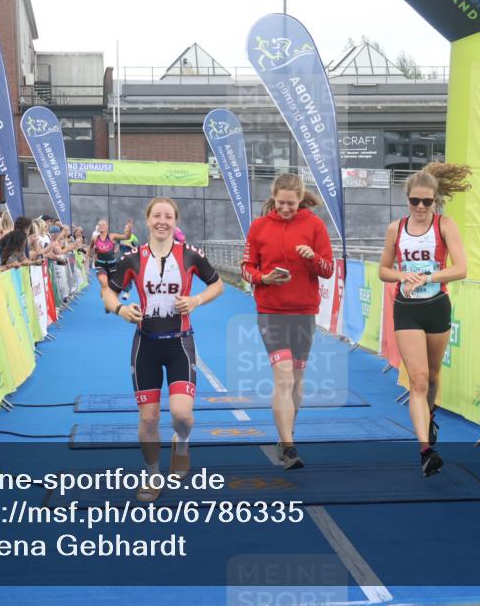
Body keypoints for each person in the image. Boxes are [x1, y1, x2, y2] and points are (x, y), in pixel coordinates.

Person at [101, 197, 224, 503]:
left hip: (180, 342)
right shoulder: (132, 258)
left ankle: (181, 443)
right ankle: (152, 473)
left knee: (183, 416)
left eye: (168, 216)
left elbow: (217, 285)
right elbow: (108, 293)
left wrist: (196, 301)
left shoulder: (190, 255)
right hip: (146, 345)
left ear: (175, 221)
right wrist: (119, 309)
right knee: (149, 417)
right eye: (157, 215)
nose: (162, 221)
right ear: (147, 220)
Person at [378, 165, 470, 477]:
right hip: (406, 309)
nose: (420, 207)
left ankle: (430, 415)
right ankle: (425, 451)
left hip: (436, 306)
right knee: (417, 380)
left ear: (436, 202)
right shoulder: (396, 229)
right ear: (407, 200)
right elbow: (383, 271)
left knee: (431, 376)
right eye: (415, 201)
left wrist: (428, 276)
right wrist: (402, 274)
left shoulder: (445, 225)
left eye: (427, 202)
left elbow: (461, 269)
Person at [241, 173, 334, 470]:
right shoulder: (259, 227)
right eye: (281, 203)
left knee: (297, 379)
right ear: (273, 198)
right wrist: (262, 277)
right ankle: (290, 448)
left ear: (300, 200)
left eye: (291, 204)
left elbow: (328, 269)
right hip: (271, 310)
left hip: (304, 311)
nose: (285, 208)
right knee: (283, 376)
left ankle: (286, 434)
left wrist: (311, 258)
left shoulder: (314, 225)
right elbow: (246, 268)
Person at [118, 219, 140, 300]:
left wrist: (130, 246)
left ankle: (127, 292)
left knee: (129, 275)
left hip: (131, 260)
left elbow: (136, 248)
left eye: (128, 228)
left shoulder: (134, 237)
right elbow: (120, 245)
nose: (126, 229)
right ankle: (122, 290)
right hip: (122, 259)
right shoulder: (121, 237)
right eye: (125, 228)